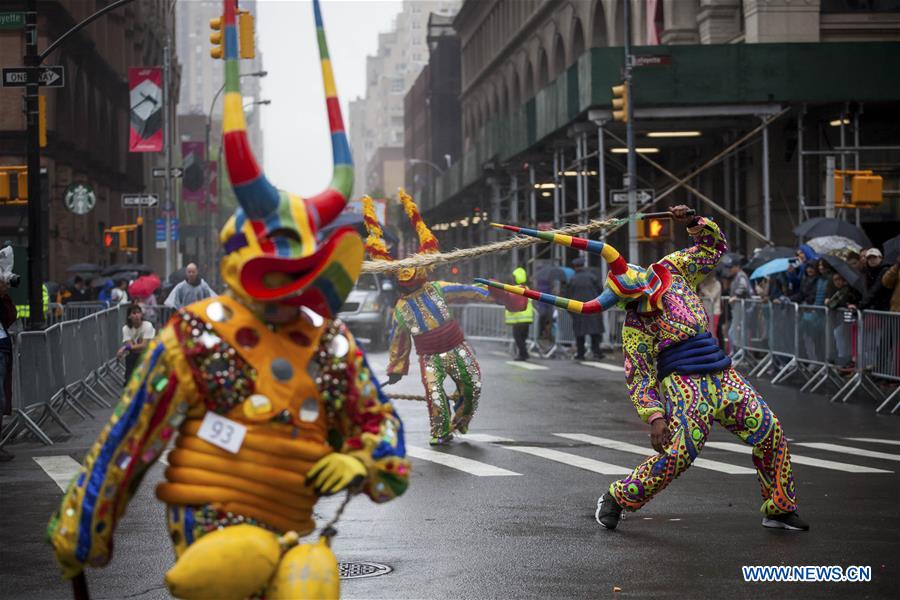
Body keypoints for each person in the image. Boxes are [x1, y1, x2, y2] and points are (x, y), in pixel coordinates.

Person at [48, 5, 408, 598]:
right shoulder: (194, 337)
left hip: (293, 533)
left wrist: (366, 462)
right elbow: (130, 442)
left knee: (309, 581)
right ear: (236, 257)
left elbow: (377, 421)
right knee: (235, 563)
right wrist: (81, 527)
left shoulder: (329, 343)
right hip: (211, 531)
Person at [481, 205, 808, 532]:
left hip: (723, 373)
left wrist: (694, 223)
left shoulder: (673, 268)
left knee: (770, 431)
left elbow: (714, 249)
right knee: (681, 453)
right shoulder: (636, 325)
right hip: (684, 382)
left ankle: (779, 507)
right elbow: (638, 376)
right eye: (635, 298)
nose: (646, 298)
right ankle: (618, 497)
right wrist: (655, 416)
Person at [365, 191, 509, 445]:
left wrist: (497, 294)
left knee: (473, 385)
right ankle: (440, 432)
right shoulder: (401, 308)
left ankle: (462, 419)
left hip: (457, 347)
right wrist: (396, 370)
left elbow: (468, 290)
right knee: (434, 394)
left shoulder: (438, 288)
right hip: (429, 357)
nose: (407, 272)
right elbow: (399, 341)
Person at [568, 257, 605, 360]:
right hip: (593, 308)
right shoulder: (592, 277)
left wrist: (571, 311)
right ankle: (597, 352)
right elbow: (601, 291)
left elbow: (568, 295)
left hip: (578, 309)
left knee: (579, 334)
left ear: (575, 267)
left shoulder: (572, 279)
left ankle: (581, 354)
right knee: (595, 333)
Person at [117, 304, 155, 381]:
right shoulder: (126, 328)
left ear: (141, 314)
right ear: (129, 316)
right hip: (134, 355)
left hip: (149, 354)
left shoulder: (148, 325)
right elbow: (132, 347)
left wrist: (125, 348)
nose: (137, 315)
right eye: (134, 313)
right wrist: (131, 347)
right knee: (130, 359)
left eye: (138, 312)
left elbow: (144, 346)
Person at [0, 277, 16, 461]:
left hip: (2, 348)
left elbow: (11, 317)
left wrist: (4, 296)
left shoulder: (3, 300)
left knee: (1, 400)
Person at [506, 266, 535, 361]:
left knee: (518, 338)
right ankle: (523, 354)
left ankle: (523, 354)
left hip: (518, 319)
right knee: (523, 338)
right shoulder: (527, 288)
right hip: (527, 319)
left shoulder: (514, 289)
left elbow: (509, 301)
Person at [697, 271, 723, 344]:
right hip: (706, 312)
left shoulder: (717, 284)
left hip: (714, 311)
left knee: (713, 332)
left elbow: (712, 297)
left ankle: (715, 350)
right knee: (706, 332)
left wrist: (703, 289)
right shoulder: (704, 284)